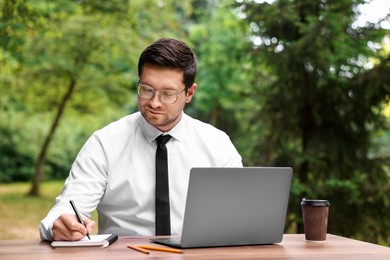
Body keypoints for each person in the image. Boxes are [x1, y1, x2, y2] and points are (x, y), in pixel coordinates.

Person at [39, 38, 243, 241]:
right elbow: (67, 208)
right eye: (146, 89)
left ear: (189, 93)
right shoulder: (104, 143)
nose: (154, 102)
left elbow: (240, 215)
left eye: (167, 94)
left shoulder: (218, 145)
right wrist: (60, 223)